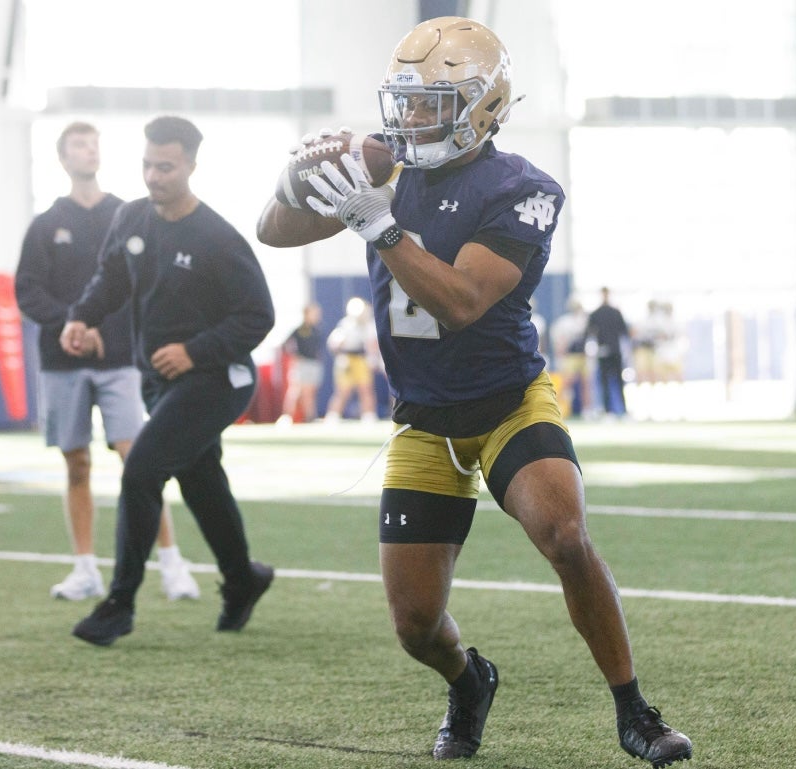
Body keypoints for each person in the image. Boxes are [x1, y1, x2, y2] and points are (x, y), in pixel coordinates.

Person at [256, 16, 691, 767]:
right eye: (407, 102)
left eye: (432, 103)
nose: (413, 117)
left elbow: (460, 302)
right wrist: (298, 179)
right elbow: (272, 230)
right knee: (416, 625)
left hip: (506, 400)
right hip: (422, 419)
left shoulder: (521, 188)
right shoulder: (385, 171)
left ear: (482, 105)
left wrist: (380, 227)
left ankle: (634, 710)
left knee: (563, 533)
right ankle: (469, 680)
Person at [60, 115, 275, 646]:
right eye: (147, 165)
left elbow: (259, 316)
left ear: (191, 166)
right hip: (161, 383)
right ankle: (244, 578)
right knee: (202, 483)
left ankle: (119, 605)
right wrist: (81, 317)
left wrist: (194, 350)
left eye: (166, 167)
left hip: (219, 380)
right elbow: (110, 279)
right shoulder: (131, 218)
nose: (154, 176)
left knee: (141, 471)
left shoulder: (217, 237)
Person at [16, 120, 199, 604]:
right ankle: (84, 570)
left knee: (138, 460)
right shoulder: (44, 224)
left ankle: (172, 563)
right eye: (79, 143)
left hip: (121, 358)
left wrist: (101, 327)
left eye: (94, 142)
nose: (89, 149)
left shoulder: (128, 214)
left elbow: (145, 283)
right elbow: (27, 293)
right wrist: (73, 324)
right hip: (62, 362)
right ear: (62, 158)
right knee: (76, 464)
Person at [324, 296, 380, 422]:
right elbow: (334, 344)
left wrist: (373, 359)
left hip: (361, 359)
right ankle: (333, 415)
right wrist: (340, 355)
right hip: (347, 359)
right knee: (343, 390)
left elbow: (372, 344)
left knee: (365, 388)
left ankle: (368, 415)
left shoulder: (369, 325)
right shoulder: (346, 324)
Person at [277, 302, 324, 425]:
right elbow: (285, 345)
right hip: (302, 364)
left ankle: (311, 417)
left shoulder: (317, 330)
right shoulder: (299, 329)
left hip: (313, 364)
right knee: (296, 390)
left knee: (310, 392)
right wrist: (295, 356)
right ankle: (286, 417)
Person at [587, 286, 631, 417]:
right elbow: (590, 334)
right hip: (604, 351)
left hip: (614, 351)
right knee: (606, 382)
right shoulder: (596, 314)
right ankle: (608, 411)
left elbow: (624, 333)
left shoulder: (614, 312)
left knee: (618, 381)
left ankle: (622, 410)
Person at [550, 297, 592, 418]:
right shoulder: (564, 322)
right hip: (570, 356)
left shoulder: (584, 320)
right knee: (566, 382)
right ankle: (556, 406)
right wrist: (561, 353)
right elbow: (559, 340)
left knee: (586, 383)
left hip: (582, 355)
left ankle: (586, 410)